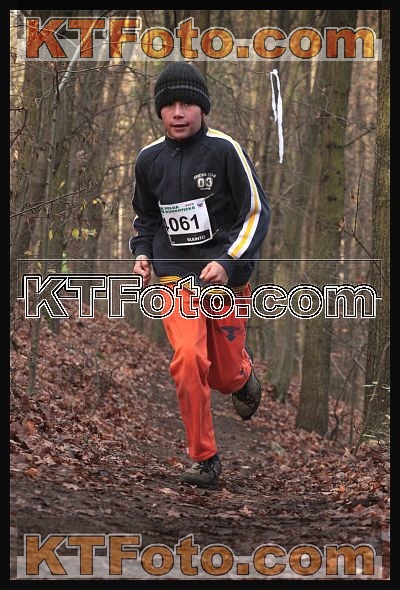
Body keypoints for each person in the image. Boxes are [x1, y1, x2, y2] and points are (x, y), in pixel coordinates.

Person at [130, 61, 271, 488]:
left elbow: (255, 213)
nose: (178, 113)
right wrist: (142, 252)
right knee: (189, 358)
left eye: (187, 104)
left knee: (224, 376)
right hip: (174, 277)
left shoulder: (225, 150)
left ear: (202, 108)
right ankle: (204, 458)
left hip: (226, 280)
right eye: (169, 105)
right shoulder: (148, 159)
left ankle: (243, 374)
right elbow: (145, 218)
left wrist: (228, 260)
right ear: (159, 111)